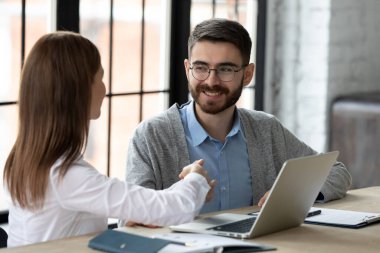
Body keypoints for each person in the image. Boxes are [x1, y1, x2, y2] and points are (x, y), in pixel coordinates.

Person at [3, 31, 213, 247]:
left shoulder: (27, 161)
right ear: (79, 91)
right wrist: (196, 178)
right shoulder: (66, 176)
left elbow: (156, 207)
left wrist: (152, 210)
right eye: (99, 78)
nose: (104, 88)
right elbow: (175, 208)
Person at [125, 18, 352, 214]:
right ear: (187, 69)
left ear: (247, 74)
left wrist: (291, 194)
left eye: (225, 69)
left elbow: (337, 172)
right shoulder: (150, 136)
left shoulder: (266, 129)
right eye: (201, 68)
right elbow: (132, 218)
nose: (211, 81)